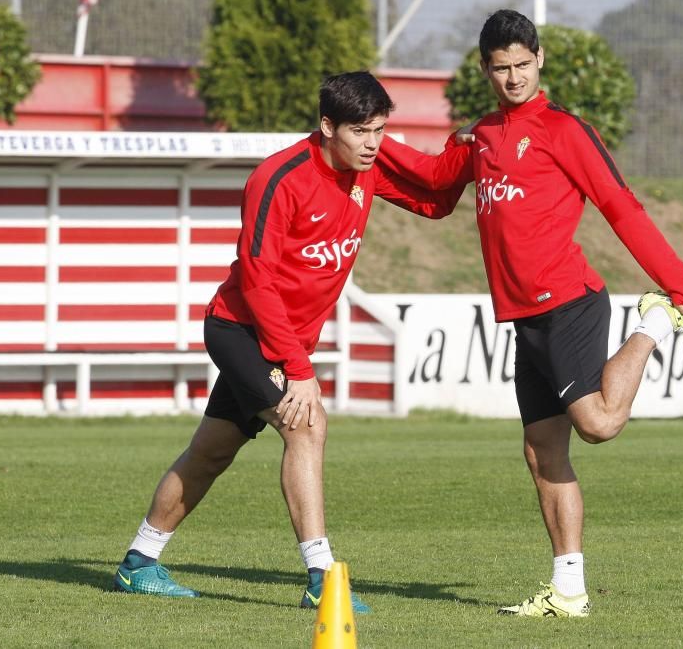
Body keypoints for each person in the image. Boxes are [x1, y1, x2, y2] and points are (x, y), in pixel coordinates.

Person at [377, 9, 683, 618]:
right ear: (485, 69)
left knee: (597, 425)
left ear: (539, 59)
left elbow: (621, 208)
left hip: (569, 302)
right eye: (500, 68)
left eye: (522, 65)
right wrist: (363, 152)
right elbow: (436, 188)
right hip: (525, 321)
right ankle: (568, 590)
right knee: (543, 453)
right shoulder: (481, 135)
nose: (513, 78)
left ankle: (652, 323)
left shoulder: (566, 130)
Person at [112, 71, 464, 613]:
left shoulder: (364, 168)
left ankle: (139, 562)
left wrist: (469, 155)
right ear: (327, 126)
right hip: (239, 329)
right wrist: (298, 369)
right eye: (361, 132)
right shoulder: (278, 178)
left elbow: (434, 204)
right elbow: (256, 281)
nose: (374, 144)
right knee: (307, 424)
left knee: (210, 452)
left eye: (380, 130)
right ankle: (321, 576)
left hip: (280, 342)